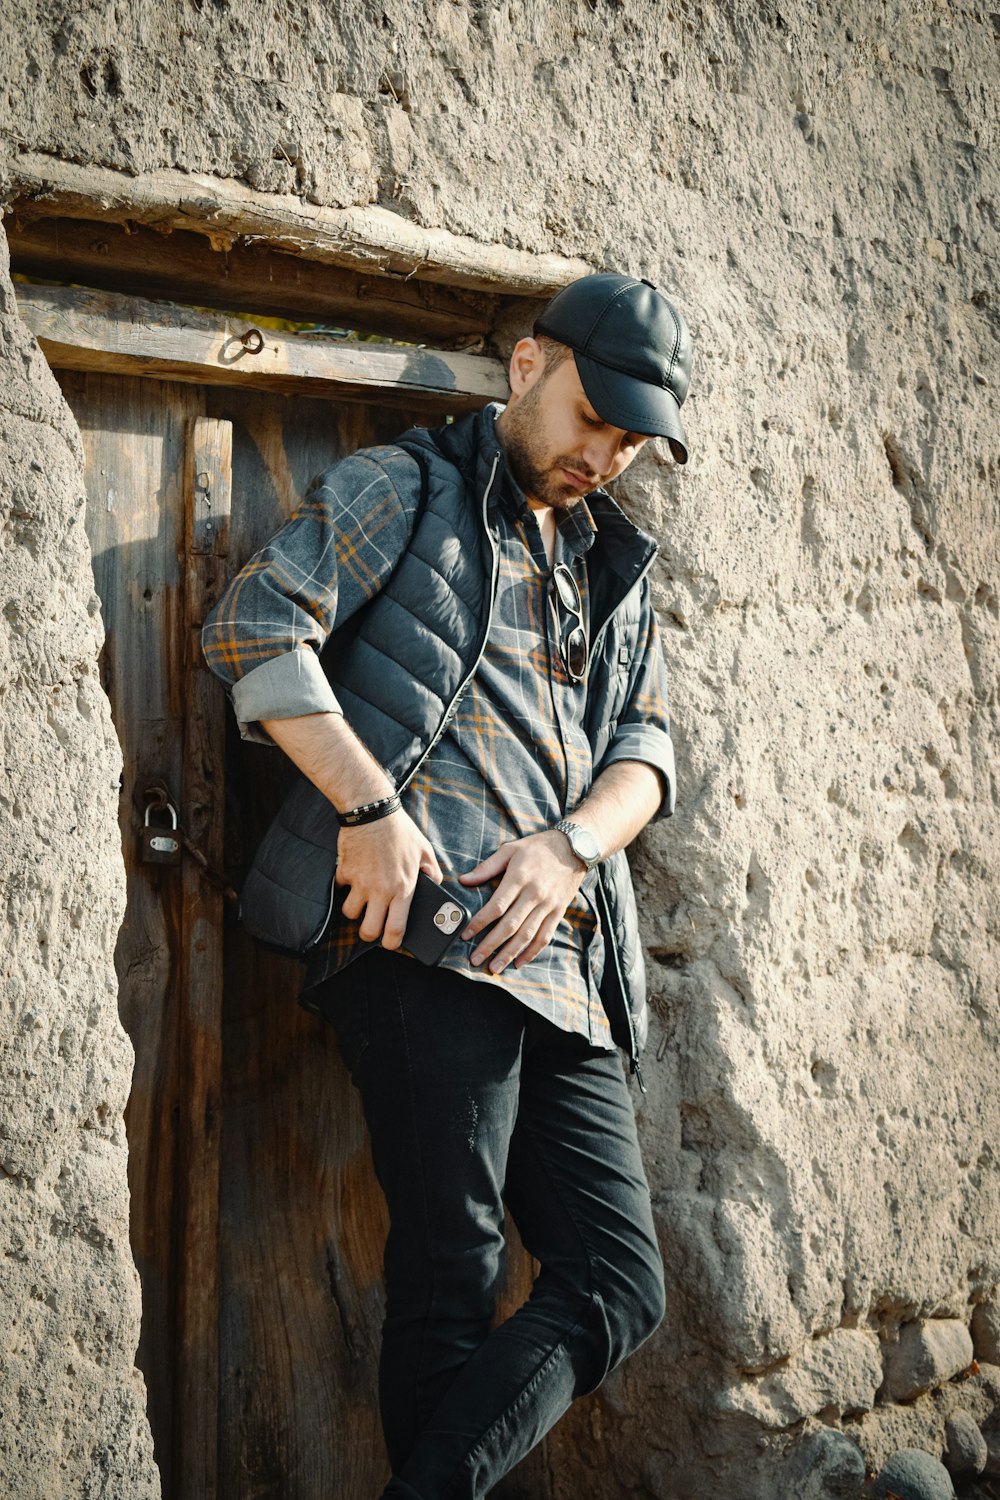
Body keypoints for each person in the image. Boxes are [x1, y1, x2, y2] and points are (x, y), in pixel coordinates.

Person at [202, 272, 693, 1499]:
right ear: (527, 367)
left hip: (567, 967)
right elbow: (254, 630)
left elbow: (649, 750)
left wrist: (568, 846)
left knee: (618, 1284)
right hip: (423, 949)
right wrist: (366, 809)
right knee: (451, 1278)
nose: (606, 455)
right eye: (594, 417)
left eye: (630, 439)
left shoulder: (608, 561)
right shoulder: (402, 488)